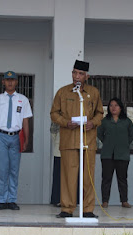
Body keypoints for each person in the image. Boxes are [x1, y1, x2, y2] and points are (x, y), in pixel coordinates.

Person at [50, 60, 104, 218]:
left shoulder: (93, 92)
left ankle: (88, 210)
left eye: (80, 74)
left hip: (88, 140)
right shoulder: (63, 92)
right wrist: (65, 123)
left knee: (88, 177)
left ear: (87, 76)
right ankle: (67, 209)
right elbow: (54, 113)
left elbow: (100, 113)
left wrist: (92, 123)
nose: (77, 76)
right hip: (69, 140)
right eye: (74, 73)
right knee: (68, 176)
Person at [0, 71, 32, 211]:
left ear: (17, 82)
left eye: (12, 80)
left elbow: (25, 121)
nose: (10, 82)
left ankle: (12, 199)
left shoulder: (23, 100)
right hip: (1, 136)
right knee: (2, 170)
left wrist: (26, 139)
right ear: (3, 82)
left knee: (14, 170)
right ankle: (2, 200)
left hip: (16, 137)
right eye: (7, 80)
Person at [97, 97, 133, 209]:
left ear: (120, 108)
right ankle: (105, 201)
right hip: (107, 154)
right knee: (106, 179)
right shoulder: (104, 121)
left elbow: (131, 135)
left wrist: (124, 143)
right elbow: (99, 133)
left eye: (116, 105)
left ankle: (124, 201)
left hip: (122, 154)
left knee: (122, 178)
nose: (113, 108)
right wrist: (107, 142)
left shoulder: (127, 121)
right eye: (111, 105)